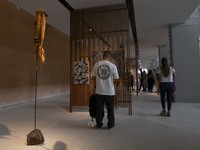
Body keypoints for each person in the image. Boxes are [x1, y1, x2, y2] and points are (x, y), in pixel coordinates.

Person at [92, 51, 119, 129]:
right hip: (109, 91)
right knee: (110, 109)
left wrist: (95, 86)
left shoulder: (96, 65)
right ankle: (111, 124)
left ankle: (99, 124)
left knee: (99, 108)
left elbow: (93, 77)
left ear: (102, 56)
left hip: (99, 90)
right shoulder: (113, 66)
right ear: (110, 57)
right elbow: (116, 78)